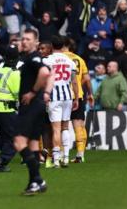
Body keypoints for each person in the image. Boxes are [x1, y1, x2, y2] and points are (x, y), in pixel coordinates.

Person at [13, 29, 53, 195]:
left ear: (36, 42)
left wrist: (32, 92)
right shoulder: (37, 58)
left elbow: (45, 74)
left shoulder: (32, 58)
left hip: (30, 106)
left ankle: (38, 179)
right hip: (38, 106)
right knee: (34, 145)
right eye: (23, 39)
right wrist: (46, 93)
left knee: (18, 142)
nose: (24, 42)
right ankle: (34, 184)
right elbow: (51, 75)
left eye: (28, 39)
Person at [42, 36, 79, 168]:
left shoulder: (47, 60)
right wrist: (76, 98)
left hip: (54, 97)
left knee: (55, 128)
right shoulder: (70, 61)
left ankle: (56, 159)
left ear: (52, 46)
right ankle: (66, 157)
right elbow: (74, 81)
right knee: (65, 127)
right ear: (63, 46)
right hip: (67, 96)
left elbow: (44, 79)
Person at [62, 38, 94, 163]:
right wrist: (90, 93)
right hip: (78, 95)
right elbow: (86, 78)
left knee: (58, 126)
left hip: (62, 95)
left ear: (65, 45)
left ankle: (58, 154)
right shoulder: (80, 60)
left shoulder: (58, 58)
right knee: (79, 125)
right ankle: (80, 155)